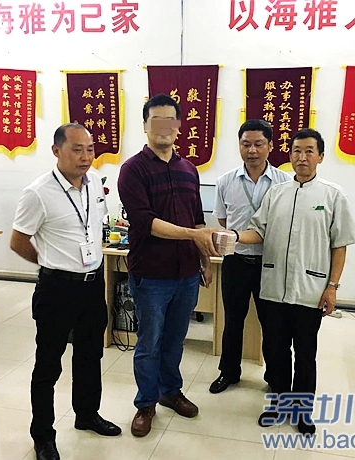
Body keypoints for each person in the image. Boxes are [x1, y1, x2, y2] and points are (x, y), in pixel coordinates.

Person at [237, 128, 355, 435]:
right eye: (296, 151)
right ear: (289, 155)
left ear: (320, 157)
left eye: (308, 151)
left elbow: (340, 245)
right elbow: (258, 232)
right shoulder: (276, 193)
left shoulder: (332, 195)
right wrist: (233, 236)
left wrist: (332, 287)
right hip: (273, 289)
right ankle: (278, 402)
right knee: (275, 351)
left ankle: (302, 410)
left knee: (305, 354)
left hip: (311, 291)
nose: (301, 157)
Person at [11, 123, 121, 460]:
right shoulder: (37, 192)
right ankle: (43, 436)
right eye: (77, 149)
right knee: (48, 364)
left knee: (90, 355)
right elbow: (18, 241)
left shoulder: (95, 183)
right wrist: (50, 263)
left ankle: (87, 414)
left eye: (90, 149)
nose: (86, 156)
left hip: (92, 285)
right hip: (57, 288)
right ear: (56, 151)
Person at [117, 94, 220, 438]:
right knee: (149, 342)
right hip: (151, 274)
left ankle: (170, 392)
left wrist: (204, 260)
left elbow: (197, 219)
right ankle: (146, 403)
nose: (164, 128)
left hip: (187, 274)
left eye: (170, 121)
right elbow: (145, 222)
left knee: (175, 340)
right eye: (156, 120)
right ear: (145, 126)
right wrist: (193, 234)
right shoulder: (133, 170)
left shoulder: (189, 169)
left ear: (178, 127)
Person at [209, 119, 290, 394]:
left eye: (258, 144)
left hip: (271, 263)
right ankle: (229, 372)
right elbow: (223, 219)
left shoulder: (284, 182)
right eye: (246, 144)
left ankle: (275, 377)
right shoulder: (225, 181)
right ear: (239, 146)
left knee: (273, 324)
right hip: (237, 260)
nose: (252, 150)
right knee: (233, 321)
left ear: (270, 146)